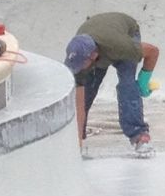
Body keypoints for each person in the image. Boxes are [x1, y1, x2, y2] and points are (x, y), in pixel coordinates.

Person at [63, 11, 158, 157]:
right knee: (87, 89)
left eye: (83, 65)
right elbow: (79, 103)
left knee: (127, 85)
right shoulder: (78, 58)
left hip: (125, 32)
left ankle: (140, 136)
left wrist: (144, 81)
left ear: (93, 56)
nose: (80, 69)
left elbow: (153, 51)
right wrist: (77, 142)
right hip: (100, 36)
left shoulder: (122, 46)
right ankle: (79, 138)